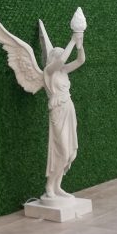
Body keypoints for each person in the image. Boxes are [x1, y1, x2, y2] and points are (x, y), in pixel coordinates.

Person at [43, 32, 85, 199]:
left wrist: (80, 45)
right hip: (58, 111)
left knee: (71, 153)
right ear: (53, 58)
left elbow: (81, 60)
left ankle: (57, 186)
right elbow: (61, 60)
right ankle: (49, 186)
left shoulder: (64, 71)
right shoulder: (49, 71)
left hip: (69, 108)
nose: (63, 58)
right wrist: (72, 41)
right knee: (63, 150)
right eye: (60, 54)